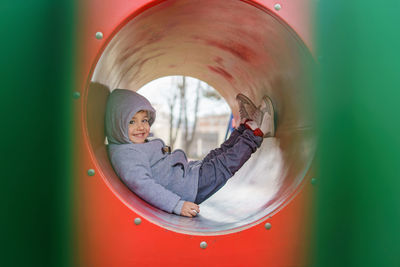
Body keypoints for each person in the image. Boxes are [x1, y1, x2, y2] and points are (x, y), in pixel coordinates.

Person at [105, 89, 275, 217]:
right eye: (132, 122)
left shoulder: (131, 145)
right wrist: (176, 205)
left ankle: (244, 128)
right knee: (224, 164)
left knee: (218, 154)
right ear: (116, 124)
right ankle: (257, 133)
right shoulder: (125, 154)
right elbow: (143, 185)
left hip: (188, 176)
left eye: (144, 120)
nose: (141, 127)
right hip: (188, 189)